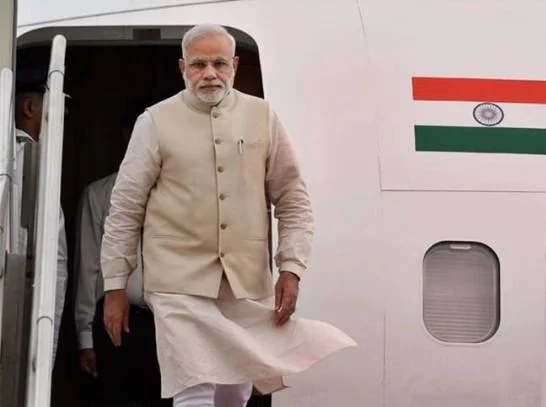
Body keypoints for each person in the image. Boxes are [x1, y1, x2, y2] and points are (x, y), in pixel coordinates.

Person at [100, 23, 356, 406]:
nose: (209, 74)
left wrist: (291, 267)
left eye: (219, 63)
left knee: (234, 393)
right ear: (182, 68)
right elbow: (125, 208)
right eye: (198, 64)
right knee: (194, 387)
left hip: (245, 283)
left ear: (234, 65)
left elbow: (292, 198)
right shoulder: (155, 121)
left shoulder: (262, 116)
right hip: (177, 283)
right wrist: (115, 285)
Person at [74, 105, 170, 405]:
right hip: (113, 321)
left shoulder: (176, 197)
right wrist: (85, 338)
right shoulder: (99, 194)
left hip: (165, 324)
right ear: (126, 138)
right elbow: (88, 267)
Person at [14, 64, 68, 360]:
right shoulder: (25, 159)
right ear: (30, 107)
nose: (62, 117)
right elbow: (51, 259)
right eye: (56, 107)